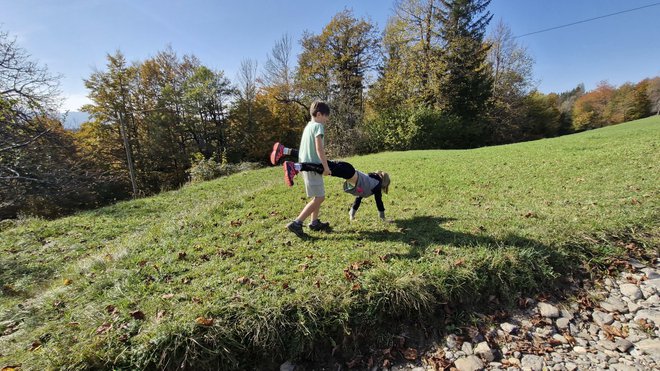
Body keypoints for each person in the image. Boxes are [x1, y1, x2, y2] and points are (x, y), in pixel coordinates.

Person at [271, 143, 391, 222]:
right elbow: (379, 202)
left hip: (347, 170)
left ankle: (285, 150)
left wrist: (351, 214)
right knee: (323, 168)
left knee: (317, 162)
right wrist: (382, 218)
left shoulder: (371, 183)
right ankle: (295, 167)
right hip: (348, 171)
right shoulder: (376, 185)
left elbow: (358, 198)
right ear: (384, 182)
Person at [284, 101, 332, 238]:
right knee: (320, 197)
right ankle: (297, 223)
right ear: (318, 114)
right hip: (312, 167)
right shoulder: (318, 126)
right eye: (325, 117)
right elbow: (319, 148)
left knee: (318, 195)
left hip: (306, 165)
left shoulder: (308, 126)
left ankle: (314, 222)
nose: (326, 121)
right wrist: (326, 167)